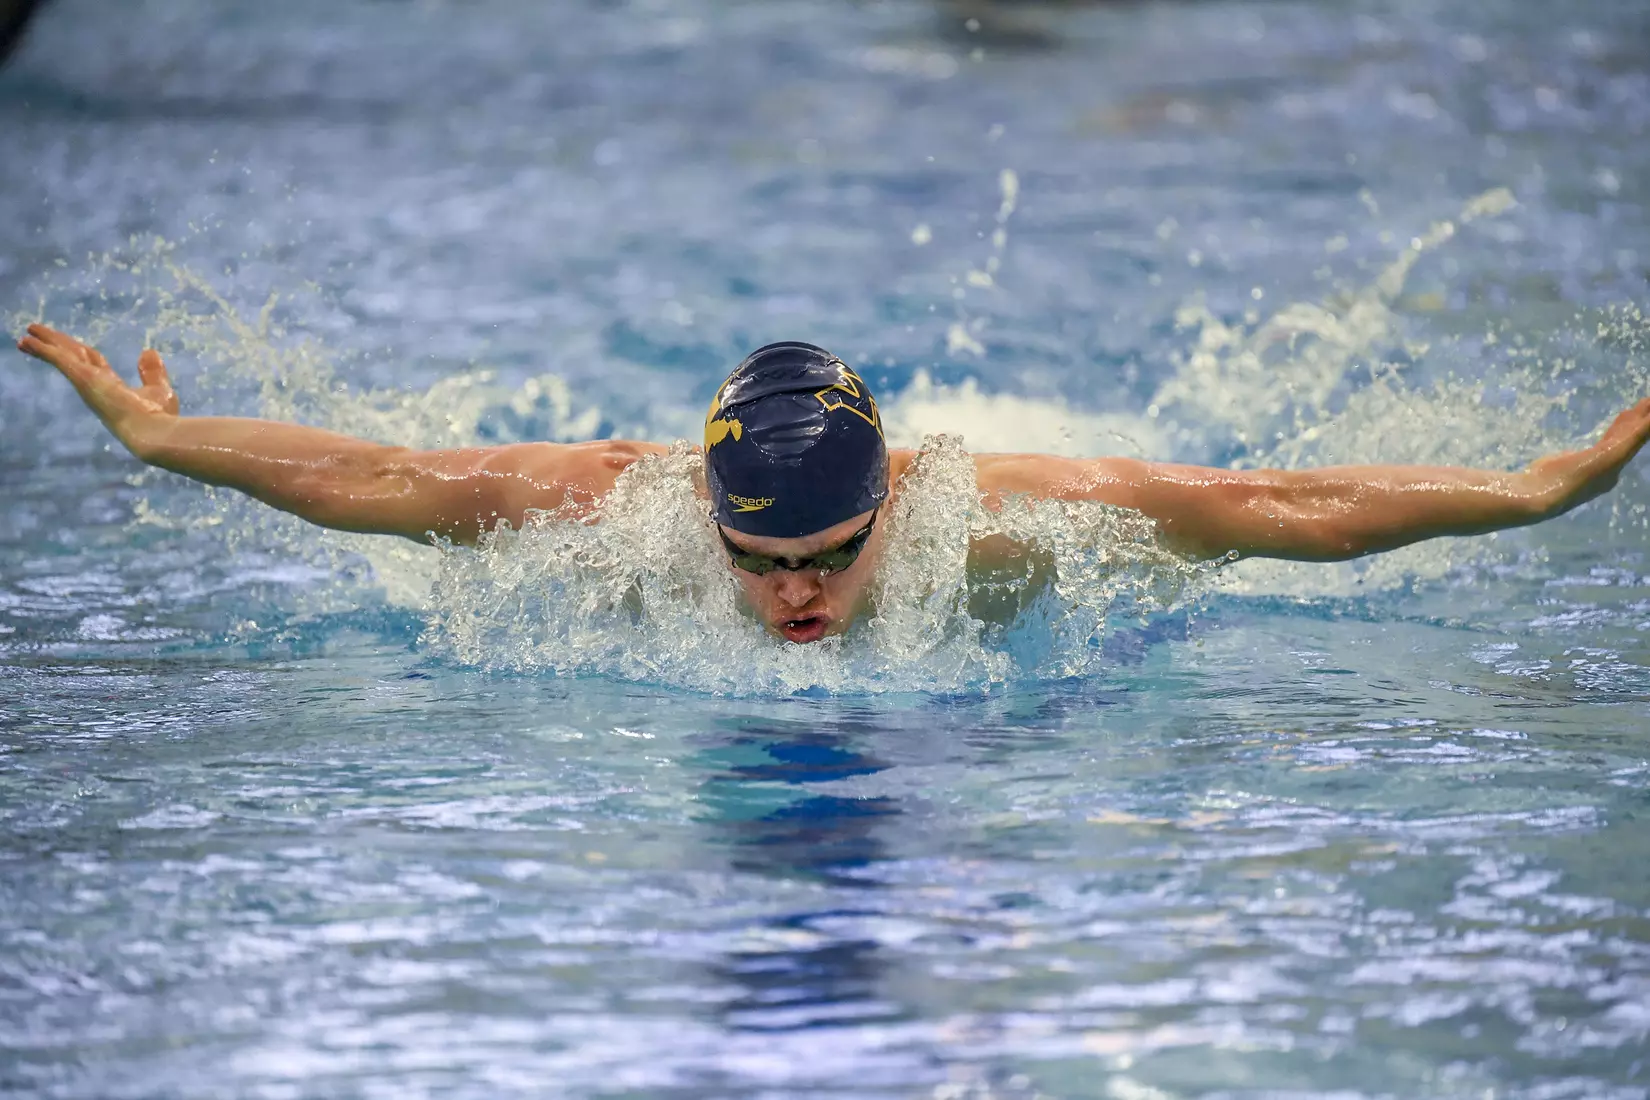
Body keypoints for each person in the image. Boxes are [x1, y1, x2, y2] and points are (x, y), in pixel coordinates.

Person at [15, 323, 1650, 644]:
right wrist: (162, 440)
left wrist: (1527, 490)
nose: (795, 591)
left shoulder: (994, 524)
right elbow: (380, 477)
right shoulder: (619, 507)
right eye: (760, 558)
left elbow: (1273, 504)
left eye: (828, 555)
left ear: (891, 512)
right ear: (707, 517)